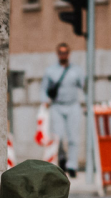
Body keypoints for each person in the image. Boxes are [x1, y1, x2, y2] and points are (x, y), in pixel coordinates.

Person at [43, 43, 85, 177]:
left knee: (73, 138)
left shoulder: (76, 70)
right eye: (61, 52)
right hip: (57, 106)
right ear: (57, 54)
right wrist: (45, 102)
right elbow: (43, 88)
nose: (63, 55)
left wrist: (86, 103)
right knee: (58, 137)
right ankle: (62, 158)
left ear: (69, 53)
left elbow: (84, 87)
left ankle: (72, 165)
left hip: (73, 106)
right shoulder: (51, 71)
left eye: (65, 52)